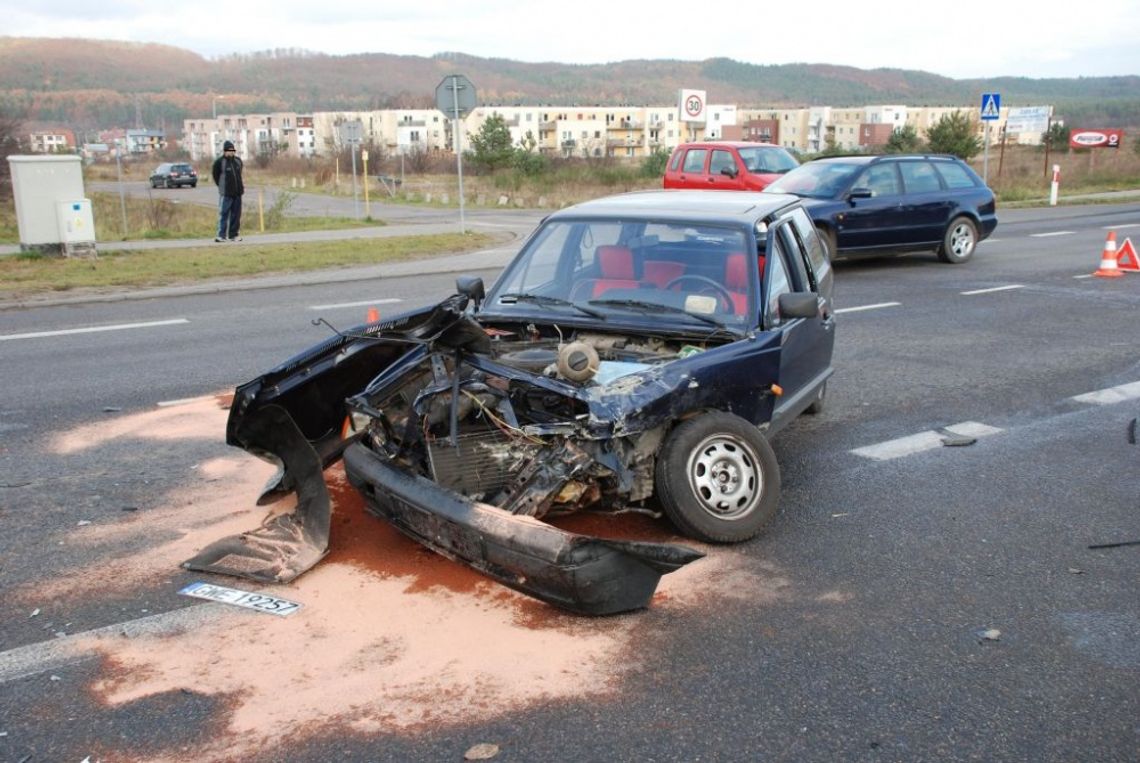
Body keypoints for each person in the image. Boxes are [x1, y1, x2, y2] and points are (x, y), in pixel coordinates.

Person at [211, 140, 245, 242]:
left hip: (237, 193)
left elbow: (239, 174)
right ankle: (221, 235)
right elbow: (215, 175)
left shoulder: (238, 161)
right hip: (226, 193)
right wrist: (221, 186)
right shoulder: (219, 162)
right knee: (224, 214)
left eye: (232, 150)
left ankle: (233, 235)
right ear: (225, 151)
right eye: (228, 150)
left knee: (236, 215)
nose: (230, 152)